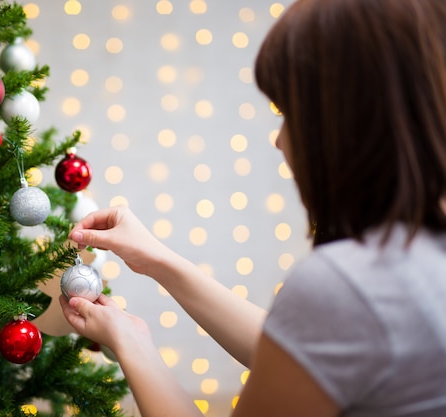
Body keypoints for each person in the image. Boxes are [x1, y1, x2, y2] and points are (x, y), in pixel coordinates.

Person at [59, 0, 446, 415]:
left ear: (345, 123)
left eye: (290, 114)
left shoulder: (346, 283)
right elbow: (304, 352)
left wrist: (132, 343)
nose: (280, 141)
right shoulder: (417, 260)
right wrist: (158, 261)